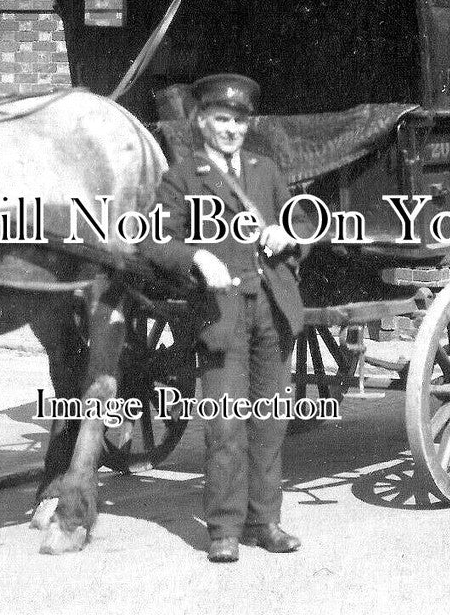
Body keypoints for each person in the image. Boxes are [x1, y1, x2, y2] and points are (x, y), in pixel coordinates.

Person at [140, 72, 307, 563]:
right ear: (200, 121)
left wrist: (288, 235)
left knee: (270, 422)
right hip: (221, 316)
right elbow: (153, 239)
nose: (231, 129)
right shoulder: (183, 177)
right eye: (221, 119)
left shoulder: (265, 170)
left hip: (273, 310)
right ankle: (224, 529)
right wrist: (196, 256)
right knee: (225, 425)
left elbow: (300, 221)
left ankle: (265, 521)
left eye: (239, 121)